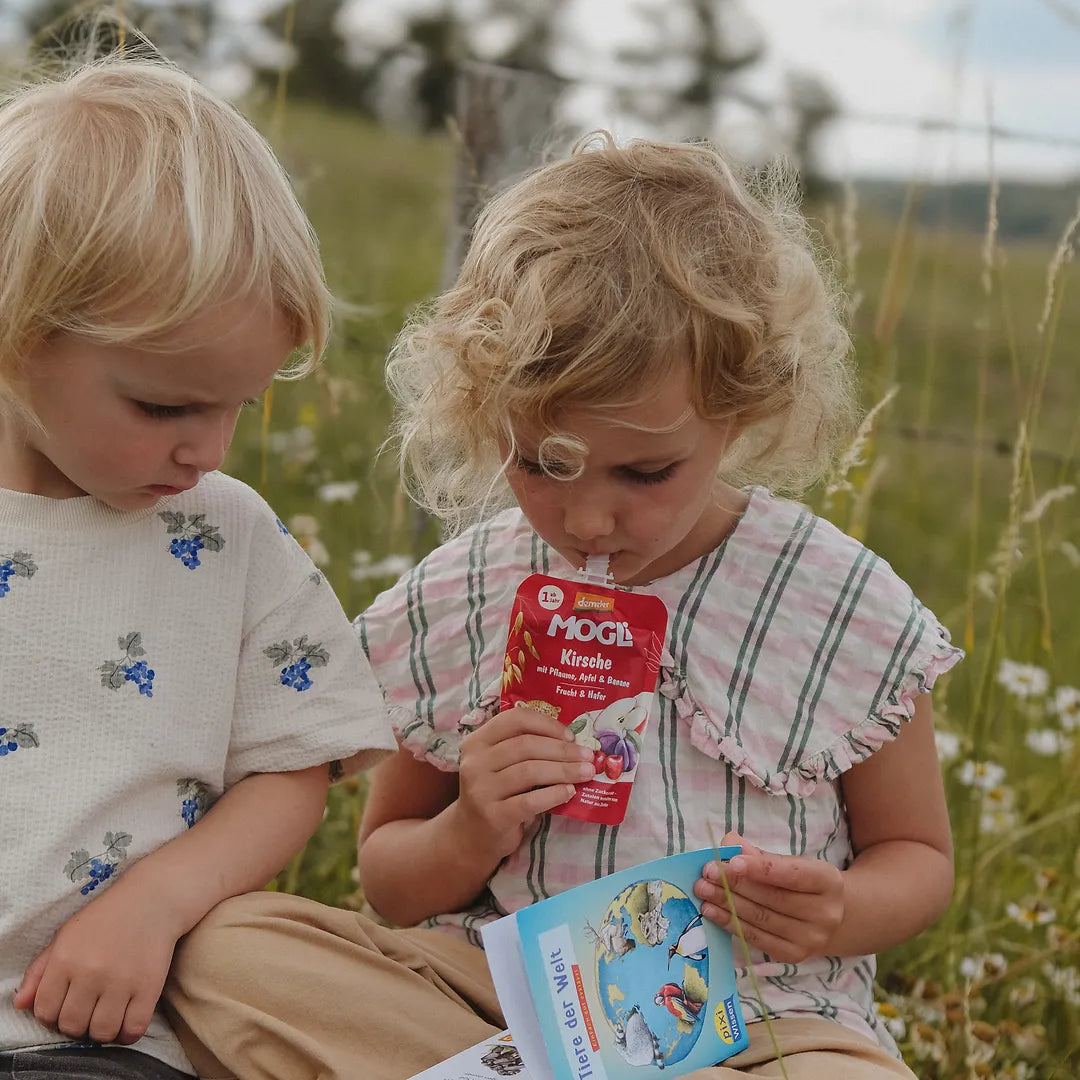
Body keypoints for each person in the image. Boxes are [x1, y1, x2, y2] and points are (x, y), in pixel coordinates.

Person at [165, 133, 963, 1079]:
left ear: (743, 410)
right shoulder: (470, 593)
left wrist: (837, 910)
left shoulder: (833, 601)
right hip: (496, 1000)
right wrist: (470, 828)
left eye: (645, 472)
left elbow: (918, 856)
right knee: (225, 954)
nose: (586, 518)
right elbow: (389, 881)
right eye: (543, 463)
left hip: (760, 1022)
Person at [0, 52, 398, 1080]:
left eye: (238, 408)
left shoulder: (224, 536)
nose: (209, 451)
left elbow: (293, 767)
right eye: (165, 407)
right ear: (17, 335)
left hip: (99, 1035)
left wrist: (158, 901)